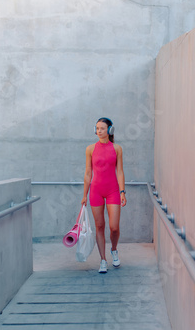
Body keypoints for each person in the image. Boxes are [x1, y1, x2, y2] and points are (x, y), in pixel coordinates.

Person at [81, 117, 127, 273]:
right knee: (99, 226)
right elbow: (88, 173)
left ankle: (114, 250)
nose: (98, 131)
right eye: (97, 128)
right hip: (96, 191)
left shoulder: (117, 149)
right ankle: (102, 260)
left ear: (110, 130)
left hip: (113, 190)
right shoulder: (90, 149)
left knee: (114, 227)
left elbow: (120, 172)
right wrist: (84, 194)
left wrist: (122, 191)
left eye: (101, 128)